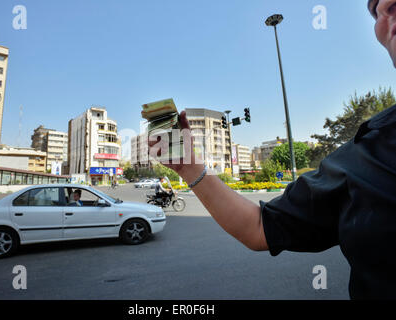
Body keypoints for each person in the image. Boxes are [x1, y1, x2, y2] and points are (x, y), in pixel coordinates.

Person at [149, 0, 396, 299]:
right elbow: (258, 227)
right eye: (377, 11)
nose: (384, 16)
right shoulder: (362, 156)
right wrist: (191, 168)